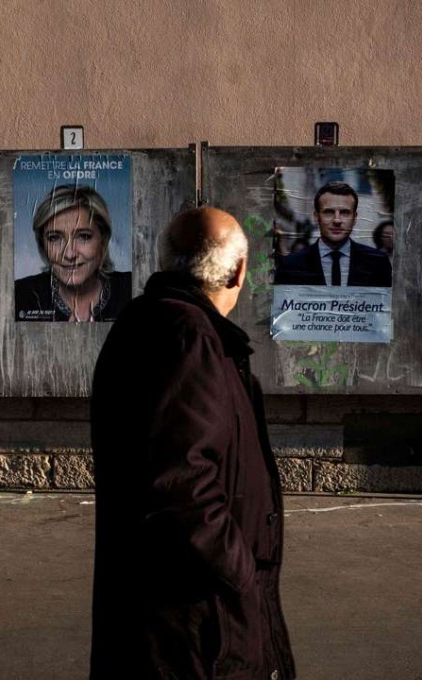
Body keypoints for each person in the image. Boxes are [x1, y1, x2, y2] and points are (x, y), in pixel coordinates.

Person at [90, 207, 295, 679]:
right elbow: (182, 486)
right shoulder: (190, 337)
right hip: (196, 627)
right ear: (239, 270)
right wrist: (241, 575)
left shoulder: (142, 324)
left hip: (163, 618)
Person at [14, 185, 131, 322]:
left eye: (84, 236)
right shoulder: (20, 295)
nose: (69, 254)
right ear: (43, 245)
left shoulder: (132, 288)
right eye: (54, 238)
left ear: (103, 242)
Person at [273, 181, 391, 287]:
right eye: (329, 212)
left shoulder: (378, 263)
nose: (337, 220)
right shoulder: (290, 265)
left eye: (345, 213)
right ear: (316, 217)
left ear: (354, 218)